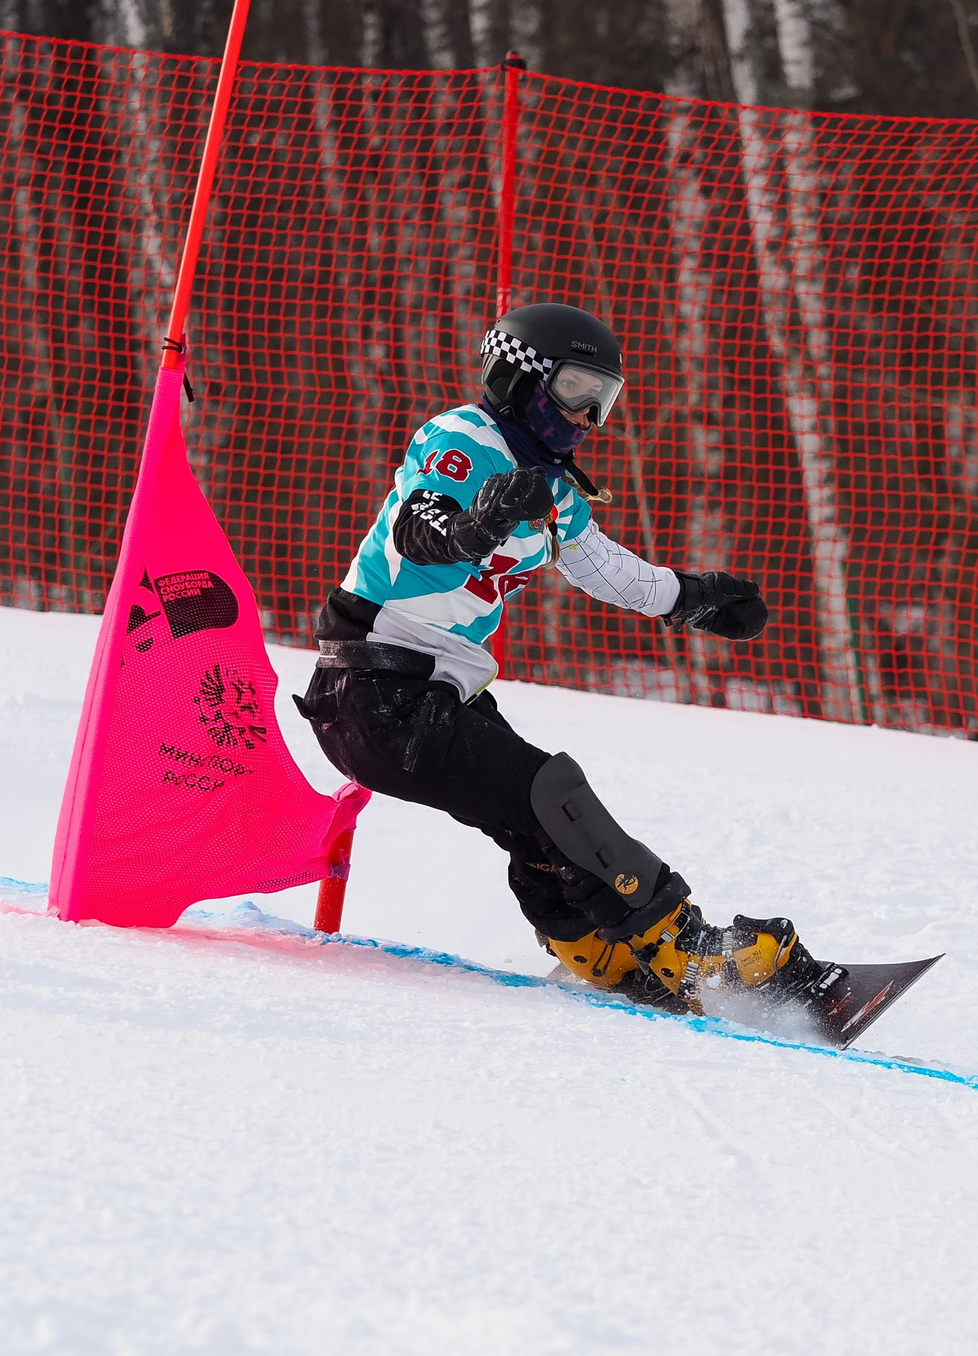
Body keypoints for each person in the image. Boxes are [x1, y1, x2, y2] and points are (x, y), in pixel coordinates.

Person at [296, 302, 818, 1010]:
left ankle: (593, 946)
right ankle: (681, 943)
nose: (588, 417)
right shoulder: (465, 438)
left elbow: (605, 568)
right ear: (520, 376)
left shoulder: (553, 488)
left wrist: (693, 597)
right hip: (375, 689)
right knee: (550, 789)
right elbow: (420, 525)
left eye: (602, 401)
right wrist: (471, 527)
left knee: (534, 818)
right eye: (576, 391)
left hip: (433, 692)